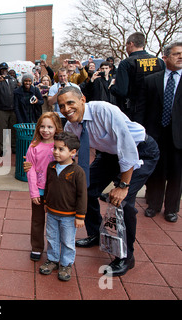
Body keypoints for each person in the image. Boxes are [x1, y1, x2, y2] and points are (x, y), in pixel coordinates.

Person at [58, 86, 159, 277]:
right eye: (61, 105)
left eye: (70, 103)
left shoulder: (104, 110)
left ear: (82, 100)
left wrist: (122, 185)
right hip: (109, 155)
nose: (66, 109)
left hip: (140, 150)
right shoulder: (70, 126)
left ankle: (126, 257)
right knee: (85, 189)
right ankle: (96, 234)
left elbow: (127, 148)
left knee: (124, 203)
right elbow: (74, 156)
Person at [137, 42, 182, 222]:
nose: (180, 57)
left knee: (177, 174)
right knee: (156, 171)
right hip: (155, 135)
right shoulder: (151, 80)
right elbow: (141, 108)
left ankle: (171, 209)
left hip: (179, 137)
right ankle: (153, 205)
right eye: (176, 54)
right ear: (165, 57)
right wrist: (140, 133)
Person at [39, 131, 87, 281]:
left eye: (61, 149)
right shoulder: (51, 166)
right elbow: (48, 186)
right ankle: (52, 259)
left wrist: (80, 216)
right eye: (55, 148)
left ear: (72, 152)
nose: (56, 152)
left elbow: (82, 195)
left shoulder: (77, 172)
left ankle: (66, 264)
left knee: (67, 240)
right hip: (52, 212)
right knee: (52, 237)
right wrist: (46, 202)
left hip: (69, 215)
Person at [25, 112, 63, 261]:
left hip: (56, 192)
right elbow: (31, 171)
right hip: (39, 191)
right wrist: (34, 192)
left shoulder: (60, 147)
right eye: (42, 126)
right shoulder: (34, 146)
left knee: (57, 222)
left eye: (49, 127)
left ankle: (55, 249)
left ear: (56, 128)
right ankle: (37, 247)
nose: (45, 130)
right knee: (37, 220)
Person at [110, 32, 164, 124]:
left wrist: (112, 87)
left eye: (126, 45)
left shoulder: (126, 63)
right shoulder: (159, 61)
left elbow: (122, 91)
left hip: (134, 111)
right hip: (158, 110)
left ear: (131, 44)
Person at [0, 62, 18, 156]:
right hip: (1, 109)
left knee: (13, 130)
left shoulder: (13, 80)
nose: (4, 71)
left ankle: (14, 147)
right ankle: (2, 149)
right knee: (2, 131)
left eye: (5, 69)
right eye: (2, 69)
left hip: (13, 109)